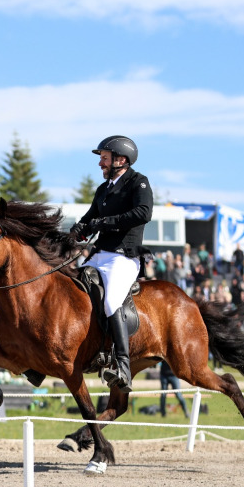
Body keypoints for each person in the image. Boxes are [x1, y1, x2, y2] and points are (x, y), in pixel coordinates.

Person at [70, 135, 153, 392]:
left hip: (123, 256)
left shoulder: (138, 183)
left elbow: (143, 213)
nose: (100, 164)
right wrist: (74, 233)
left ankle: (123, 365)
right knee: (70, 290)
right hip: (99, 254)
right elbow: (88, 220)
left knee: (111, 301)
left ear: (121, 160)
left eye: (104, 158)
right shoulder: (103, 190)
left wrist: (104, 223)